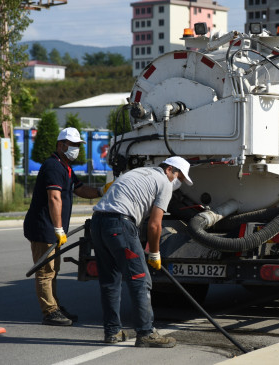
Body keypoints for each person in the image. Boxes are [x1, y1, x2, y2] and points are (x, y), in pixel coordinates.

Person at [90, 156, 193, 347]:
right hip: (120, 225)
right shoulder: (164, 182)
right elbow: (154, 225)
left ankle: (112, 332)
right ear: (170, 169)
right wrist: (155, 253)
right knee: (140, 279)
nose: (177, 181)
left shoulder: (137, 173)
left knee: (110, 281)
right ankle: (146, 333)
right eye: (178, 175)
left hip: (97, 223)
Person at [24, 127, 104, 326]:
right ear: (61, 145)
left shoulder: (65, 167)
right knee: (45, 271)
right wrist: (58, 228)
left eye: (78, 145)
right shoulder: (53, 166)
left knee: (53, 270)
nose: (76, 149)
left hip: (53, 229)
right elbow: (54, 197)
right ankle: (49, 311)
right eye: (73, 145)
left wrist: (102, 190)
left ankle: (55, 306)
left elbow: (80, 189)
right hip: (44, 228)